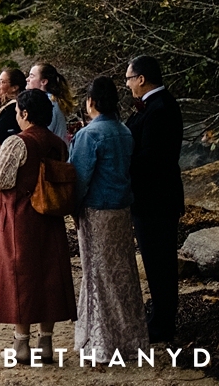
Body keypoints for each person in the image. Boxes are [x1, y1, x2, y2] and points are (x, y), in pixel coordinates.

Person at [0, 89, 77, 365]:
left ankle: (21, 344)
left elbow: (0, 181)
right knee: (49, 277)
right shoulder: (58, 144)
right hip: (50, 217)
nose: (16, 116)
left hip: (21, 217)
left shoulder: (17, 143)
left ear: (26, 114)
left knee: (23, 279)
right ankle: (46, 342)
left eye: (17, 111)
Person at [70, 76, 148, 362]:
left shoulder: (89, 134)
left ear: (91, 101)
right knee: (123, 274)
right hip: (121, 209)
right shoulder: (124, 131)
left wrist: (72, 208)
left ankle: (100, 343)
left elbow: (79, 177)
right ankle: (131, 340)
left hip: (96, 210)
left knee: (97, 275)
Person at [124, 54, 184, 344]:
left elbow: (151, 158)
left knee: (160, 263)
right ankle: (158, 315)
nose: (127, 85)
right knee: (154, 261)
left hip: (157, 200)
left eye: (129, 79)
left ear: (141, 79)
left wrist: (122, 165)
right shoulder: (150, 107)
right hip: (150, 199)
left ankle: (164, 323)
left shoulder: (161, 109)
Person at [27, 62, 72, 146]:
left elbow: (43, 134)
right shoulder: (48, 100)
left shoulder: (48, 103)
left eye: (31, 76)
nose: (27, 79)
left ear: (43, 82)